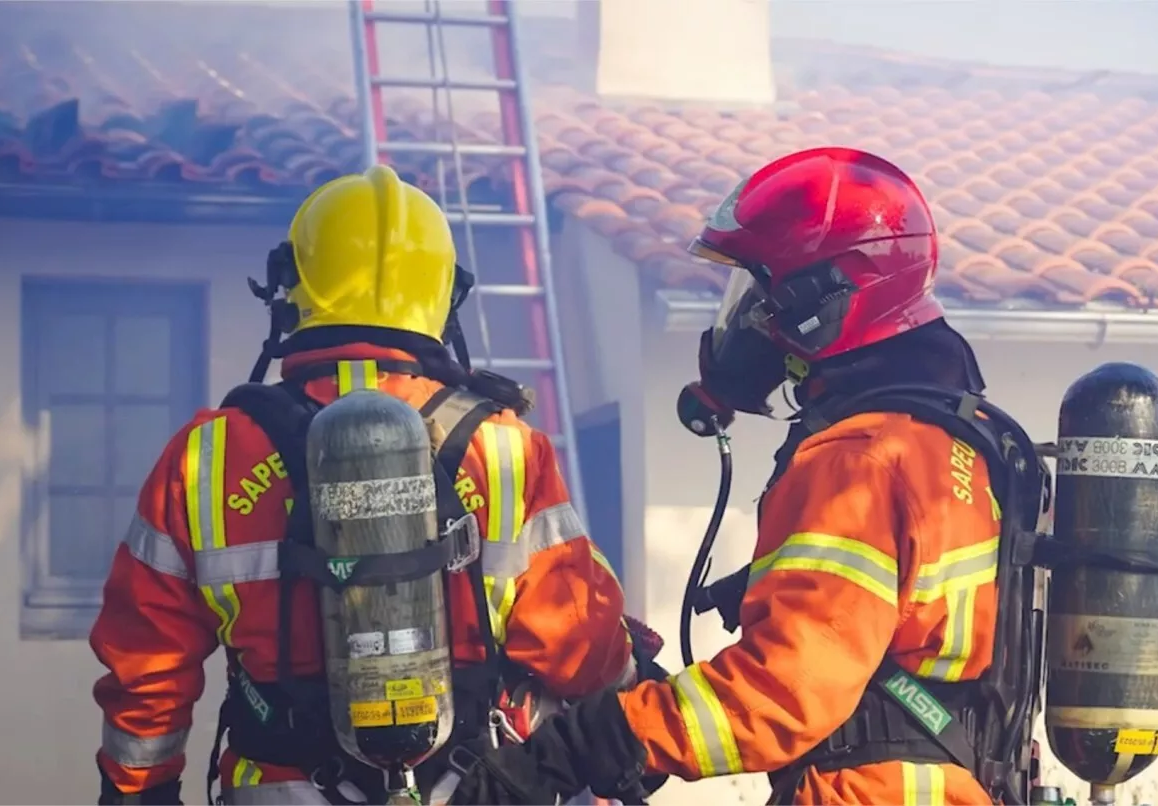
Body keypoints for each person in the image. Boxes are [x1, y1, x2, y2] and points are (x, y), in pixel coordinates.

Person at [445, 147, 1048, 806]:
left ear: (821, 301)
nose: (749, 321)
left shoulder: (859, 460)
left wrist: (596, 740)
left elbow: (784, 691)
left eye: (761, 296)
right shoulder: (964, 440)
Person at [90, 165, 640, 806]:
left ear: (290, 290)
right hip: (473, 788)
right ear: (443, 296)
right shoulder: (507, 448)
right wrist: (630, 687)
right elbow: (577, 639)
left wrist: (136, 790)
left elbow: (147, 664)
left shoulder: (204, 459)